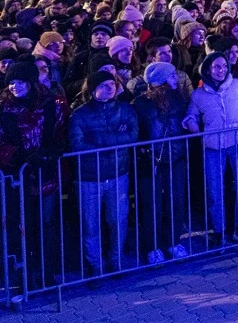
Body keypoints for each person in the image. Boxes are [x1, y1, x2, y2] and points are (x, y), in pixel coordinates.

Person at [0, 59, 69, 289]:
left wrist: (51, 151)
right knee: (21, 225)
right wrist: (17, 155)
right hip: (15, 177)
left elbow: (61, 134)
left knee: (46, 223)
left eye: (20, 82)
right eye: (11, 82)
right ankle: (24, 275)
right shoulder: (3, 107)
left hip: (46, 173)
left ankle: (48, 272)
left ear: (31, 82)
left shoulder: (52, 104)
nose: (15, 86)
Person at [183, 53, 238, 246]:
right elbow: (191, 114)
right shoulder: (199, 94)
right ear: (207, 69)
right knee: (215, 191)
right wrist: (192, 123)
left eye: (224, 66)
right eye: (217, 67)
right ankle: (219, 230)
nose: (221, 70)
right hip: (213, 147)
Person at [68, 71, 139, 277]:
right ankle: (96, 265)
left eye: (112, 84)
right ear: (92, 90)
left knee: (118, 220)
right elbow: (78, 144)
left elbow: (132, 135)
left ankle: (116, 260)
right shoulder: (79, 115)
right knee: (90, 225)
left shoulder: (125, 109)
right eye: (103, 85)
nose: (110, 88)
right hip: (89, 177)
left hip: (118, 173)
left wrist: (98, 140)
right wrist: (116, 137)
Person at [132, 61, 191, 264]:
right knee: (152, 205)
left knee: (176, 201)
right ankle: (152, 246)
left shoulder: (180, 99)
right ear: (161, 81)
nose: (176, 78)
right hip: (151, 160)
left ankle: (173, 241)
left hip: (176, 156)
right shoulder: (140, 103)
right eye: (172, 76)